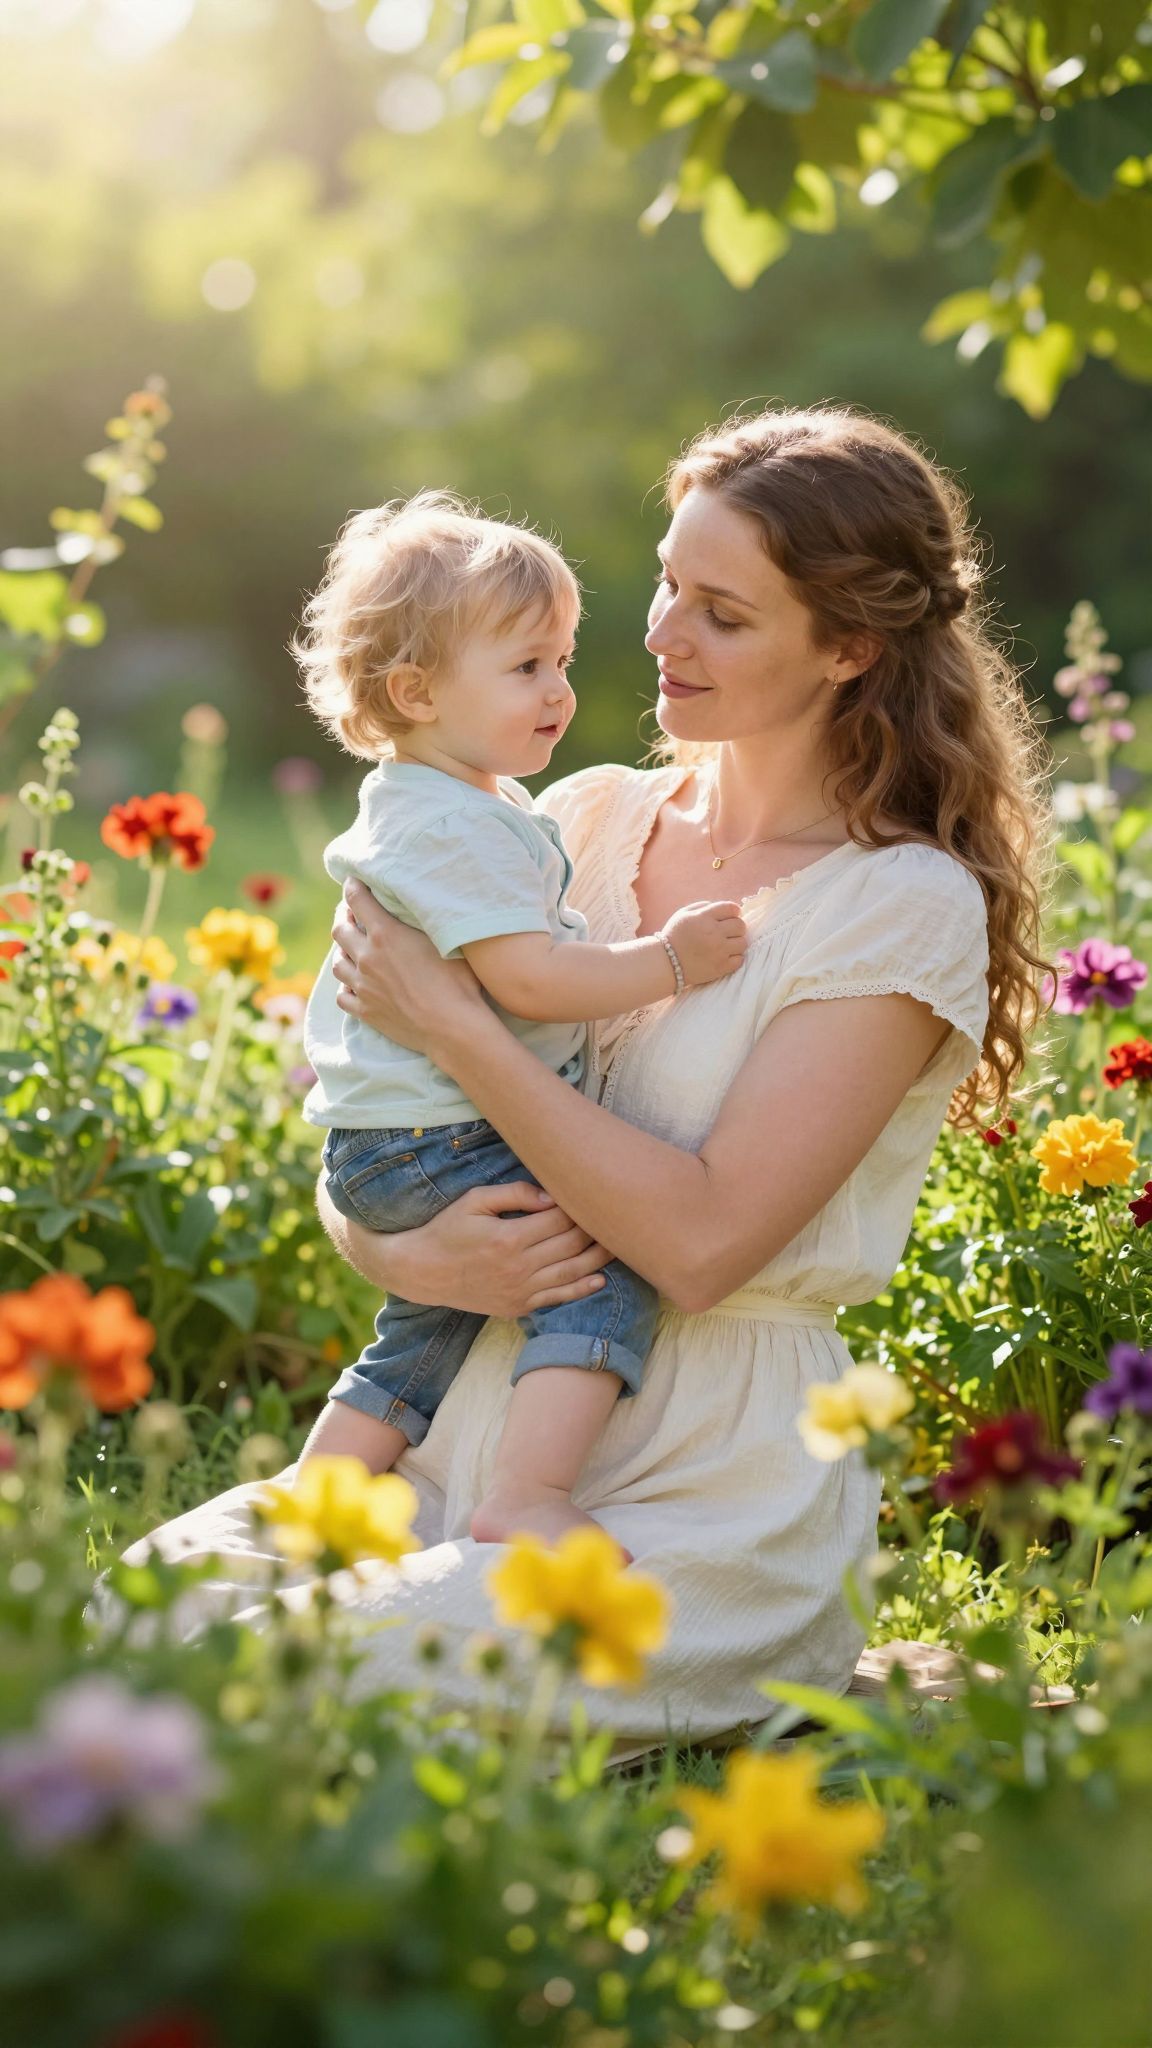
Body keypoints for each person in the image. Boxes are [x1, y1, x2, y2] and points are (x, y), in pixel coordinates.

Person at [119, 406, 1047, 1747]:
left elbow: (704, 1243)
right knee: (141, 1623)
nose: (664, 632)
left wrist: (469, 1038)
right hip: (457, 1423)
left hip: (698, 1491)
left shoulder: (895, 905)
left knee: (280, 1684)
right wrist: (406, 1257)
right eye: (671, 581)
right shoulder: (570, 818)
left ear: (847, 648)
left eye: (724, 614)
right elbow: (376, 1095)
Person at [293, 492, 746, 1552]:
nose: (560, 690)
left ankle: (317, 1500)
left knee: (418, 1336)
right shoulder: (458, 827)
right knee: (603, 1261)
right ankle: (527, 1491)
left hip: (392, 1140)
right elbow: (530, 981)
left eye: (561, 659)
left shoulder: (444, 801)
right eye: (526, 667)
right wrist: (668, 960)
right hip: (440, 1134)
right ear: (414, 690)